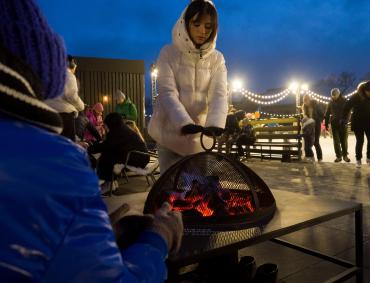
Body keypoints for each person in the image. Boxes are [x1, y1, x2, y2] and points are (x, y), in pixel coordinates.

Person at [0, 1, 183, 282]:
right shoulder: (51, 164)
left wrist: (86, 232)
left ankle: (105, 181)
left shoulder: (50, 164)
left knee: (105, 159)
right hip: (136, 159)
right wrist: (160, 237)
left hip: (136, 158)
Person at [148, 0, 228, 172]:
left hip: (200, 140)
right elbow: (167, 92)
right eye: (196, 24)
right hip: (169, 135)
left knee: (198, 191)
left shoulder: (217, 59)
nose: (202, 31)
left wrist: (215, 124)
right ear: (185, 23)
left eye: (208, 26)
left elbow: (219, 94)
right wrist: (183, 123)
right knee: (169, 190)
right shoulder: (168, 53)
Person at [88, 112, 150, 192]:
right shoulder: (121, 129)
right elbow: (109, 144)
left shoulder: (119, 132)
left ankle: (109, 183)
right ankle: (111, 182)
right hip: (138, 156)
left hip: (139, 158)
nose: (106, 127)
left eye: (106, 125)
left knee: (107, 156)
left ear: (112, 124)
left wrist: (89, 149)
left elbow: (106, 145)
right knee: (109, 154)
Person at [44, 55, 85, 141]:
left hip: (48, 113)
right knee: (66, 143)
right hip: (64, 115)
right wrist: (81, 106)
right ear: (72, 65)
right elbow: (71, 96)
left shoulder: (49, 76)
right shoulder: (68, 75)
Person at [342, 80, 370, 168]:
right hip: (358, 122)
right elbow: (347, 107)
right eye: (368, 91)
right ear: (364, 89)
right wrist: (344, 118)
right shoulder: (357, 96)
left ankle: (369, 157)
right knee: (360, 141)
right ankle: (358, 160)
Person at [324, 88, 350, 163]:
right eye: (332, 96)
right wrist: (326, 124)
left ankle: (345, 155)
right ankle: (338, 156)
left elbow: (348, 112)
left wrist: (345, 121)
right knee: (336, 141)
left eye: (335, 95)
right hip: (334, 123)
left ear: (338, 94)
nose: (333, 97)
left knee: (344, 140)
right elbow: (327, 113)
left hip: (343, 123)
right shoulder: (331, 102)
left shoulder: (344, 101)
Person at [302, 94, 324, 162]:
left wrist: (317, 120)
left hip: (316, 125)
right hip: (309, 126)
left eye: (307, 101)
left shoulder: (315, 104)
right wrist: (305, 118)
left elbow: (322, 114)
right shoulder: (304, 106)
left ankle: (319, 158)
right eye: (305, 101)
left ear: (309, 99)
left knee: (316, 142)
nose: (306, 102)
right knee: (308, 141)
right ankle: (310, 156)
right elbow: (304, 116)